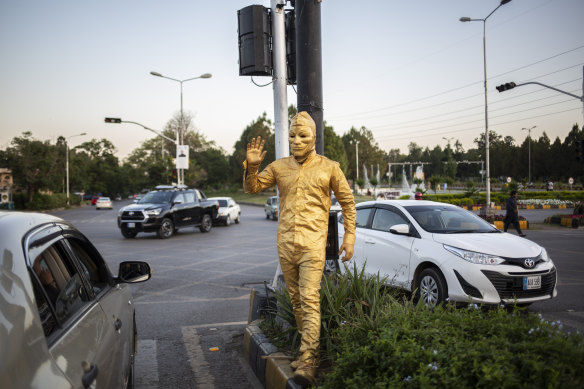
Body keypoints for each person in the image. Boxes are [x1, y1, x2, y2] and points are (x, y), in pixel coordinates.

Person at [243, 111, 356, 387]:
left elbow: (348, 202)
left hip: (313, 245)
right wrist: (252, 168)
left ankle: (309, 359)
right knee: (295, 300)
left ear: (314, 137)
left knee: (309, 298)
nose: (295, 140)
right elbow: (251, 189)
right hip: (286, 244)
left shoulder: (329, 167)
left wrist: (350, 236)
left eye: (302, 135)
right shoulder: (280, 167)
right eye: (292, 135)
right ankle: (306, 351)